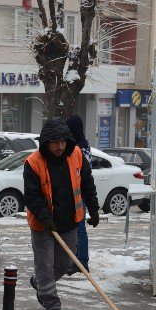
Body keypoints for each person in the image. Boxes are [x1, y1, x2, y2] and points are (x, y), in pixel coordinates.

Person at [24, 118, 99, 310]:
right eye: (55, 142)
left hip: (69, 220)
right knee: (45, 266)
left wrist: (93, 209)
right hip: (43, 224)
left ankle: (38, 282)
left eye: (63, 141)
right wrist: (45, 217)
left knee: (64, 264)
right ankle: (52, 306)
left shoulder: (76, 155)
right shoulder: (33, 162)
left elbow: (87, 184)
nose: (59, 146)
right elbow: (31, 196)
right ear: (46, 142)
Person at [65, 114, 92, 275]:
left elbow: (82, 174)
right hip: (74, 194)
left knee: (79, 228)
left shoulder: (80, 148)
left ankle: (82, 262)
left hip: (79, 194)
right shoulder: (77, 146)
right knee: (74, 228)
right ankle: (76, 259)